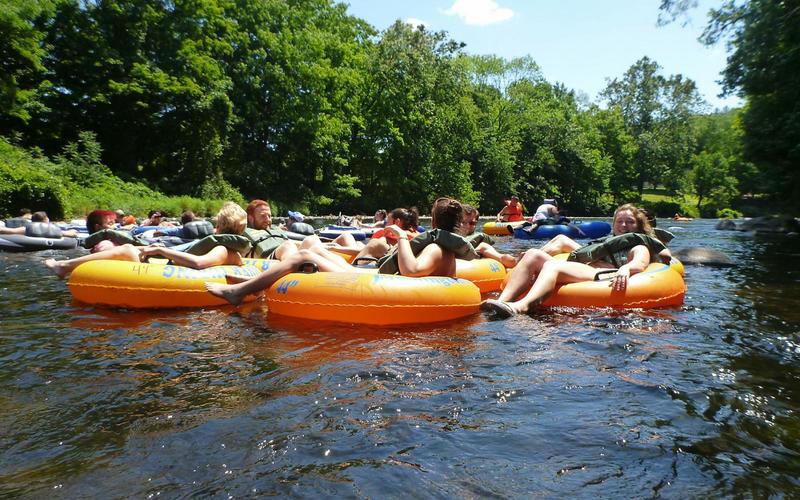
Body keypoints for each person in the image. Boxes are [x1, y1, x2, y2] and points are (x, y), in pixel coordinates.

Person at [205, 197, 472, 305]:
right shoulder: (443, 247)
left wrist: (401, 236)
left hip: (377, 283)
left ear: (434, 223)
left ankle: (239, 293)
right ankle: (256, 284)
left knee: (303, 255)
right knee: (316, 250)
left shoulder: (437, 248)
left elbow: (412, 271)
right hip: (373, 275)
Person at [481, 203, 672, 318]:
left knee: (552, 265)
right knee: (532, 254)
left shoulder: (638, 244)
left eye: (630, 222)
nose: (624, 225)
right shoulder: (607, 241)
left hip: (607, 274)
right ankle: (502, 302)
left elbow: (639, 262)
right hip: (587, 267)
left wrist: (626, 269)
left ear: (638, 226)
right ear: (614, 224)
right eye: (620, 221)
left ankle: (522, 306)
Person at [44, 202, 249, 279]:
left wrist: (161, 251)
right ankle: (69, 266)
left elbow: (198, 263)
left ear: (220, 226)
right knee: (129, 250)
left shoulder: (222, 248)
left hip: (173, 272)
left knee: (127, 250)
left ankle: (65, 266)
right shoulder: (231, 248)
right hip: (173, 268)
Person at [0, 211, 78, 237]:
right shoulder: (52, 229)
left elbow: (10, 231)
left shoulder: (27, 228)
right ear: (46, 219)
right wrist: (73, 231)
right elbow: (71, 234)